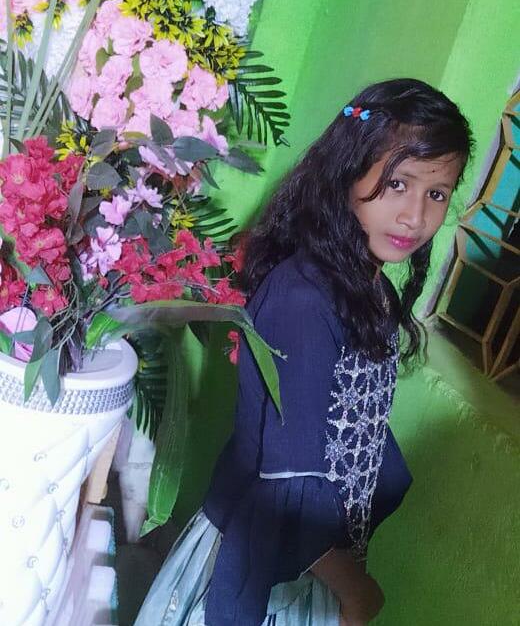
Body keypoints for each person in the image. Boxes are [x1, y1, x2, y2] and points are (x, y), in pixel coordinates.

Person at [134, 78, 473, 626]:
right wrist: (358, 593)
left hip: (316, 559)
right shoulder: (303, 299)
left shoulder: (370, 289)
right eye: (397, 183)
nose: (415, 216)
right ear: (347, 171)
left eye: (436, 194)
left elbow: (353, 430)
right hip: (270, 559)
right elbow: (289, 480)